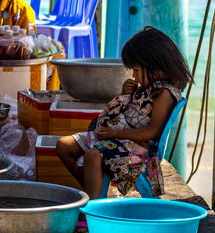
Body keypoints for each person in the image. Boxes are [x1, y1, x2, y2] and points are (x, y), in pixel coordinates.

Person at [55, 27, 191, 199]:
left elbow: (152, 131)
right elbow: (129, 113)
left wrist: (115, 133)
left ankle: (91, 211)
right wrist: (125, 96)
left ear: (156, 67)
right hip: (117, 138)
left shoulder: (164, 94)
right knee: (63, 146)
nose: (134, 76)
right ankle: (92, 191)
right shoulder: (149, 88)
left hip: (137, 148)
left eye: (137, 70)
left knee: (93, 156)